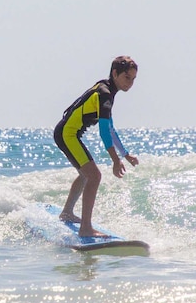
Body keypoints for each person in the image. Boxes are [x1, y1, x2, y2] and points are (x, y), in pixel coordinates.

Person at [54, 56, 139, 237]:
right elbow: (104, 132)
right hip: (66, 135)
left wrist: (125, 154)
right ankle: (85, 228)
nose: (130, 83)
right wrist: (115, 160)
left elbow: (110, 127)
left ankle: (67, 212)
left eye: (133, 79)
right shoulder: (105, 94)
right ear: (115, 73)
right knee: (94, 176)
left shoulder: (106, 89)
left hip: (68, 133)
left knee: (87, 175)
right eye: (127, 77)